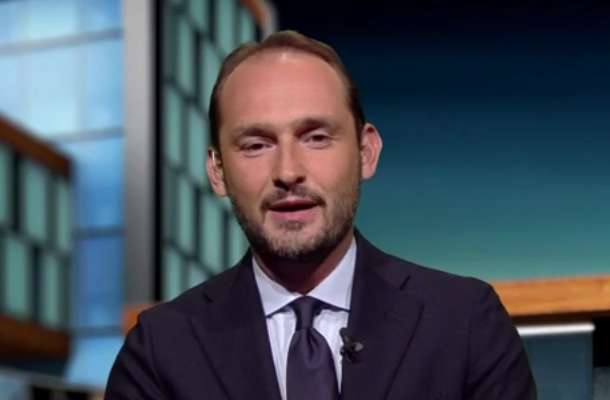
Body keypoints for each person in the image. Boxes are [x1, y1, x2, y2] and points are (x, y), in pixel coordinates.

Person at [105, 30, 537, 400]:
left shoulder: (464, 323)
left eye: (316, 138)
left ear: (365, 152)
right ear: (217, 171)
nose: (287, 171)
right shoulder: (160, 349)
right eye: (256, 145)